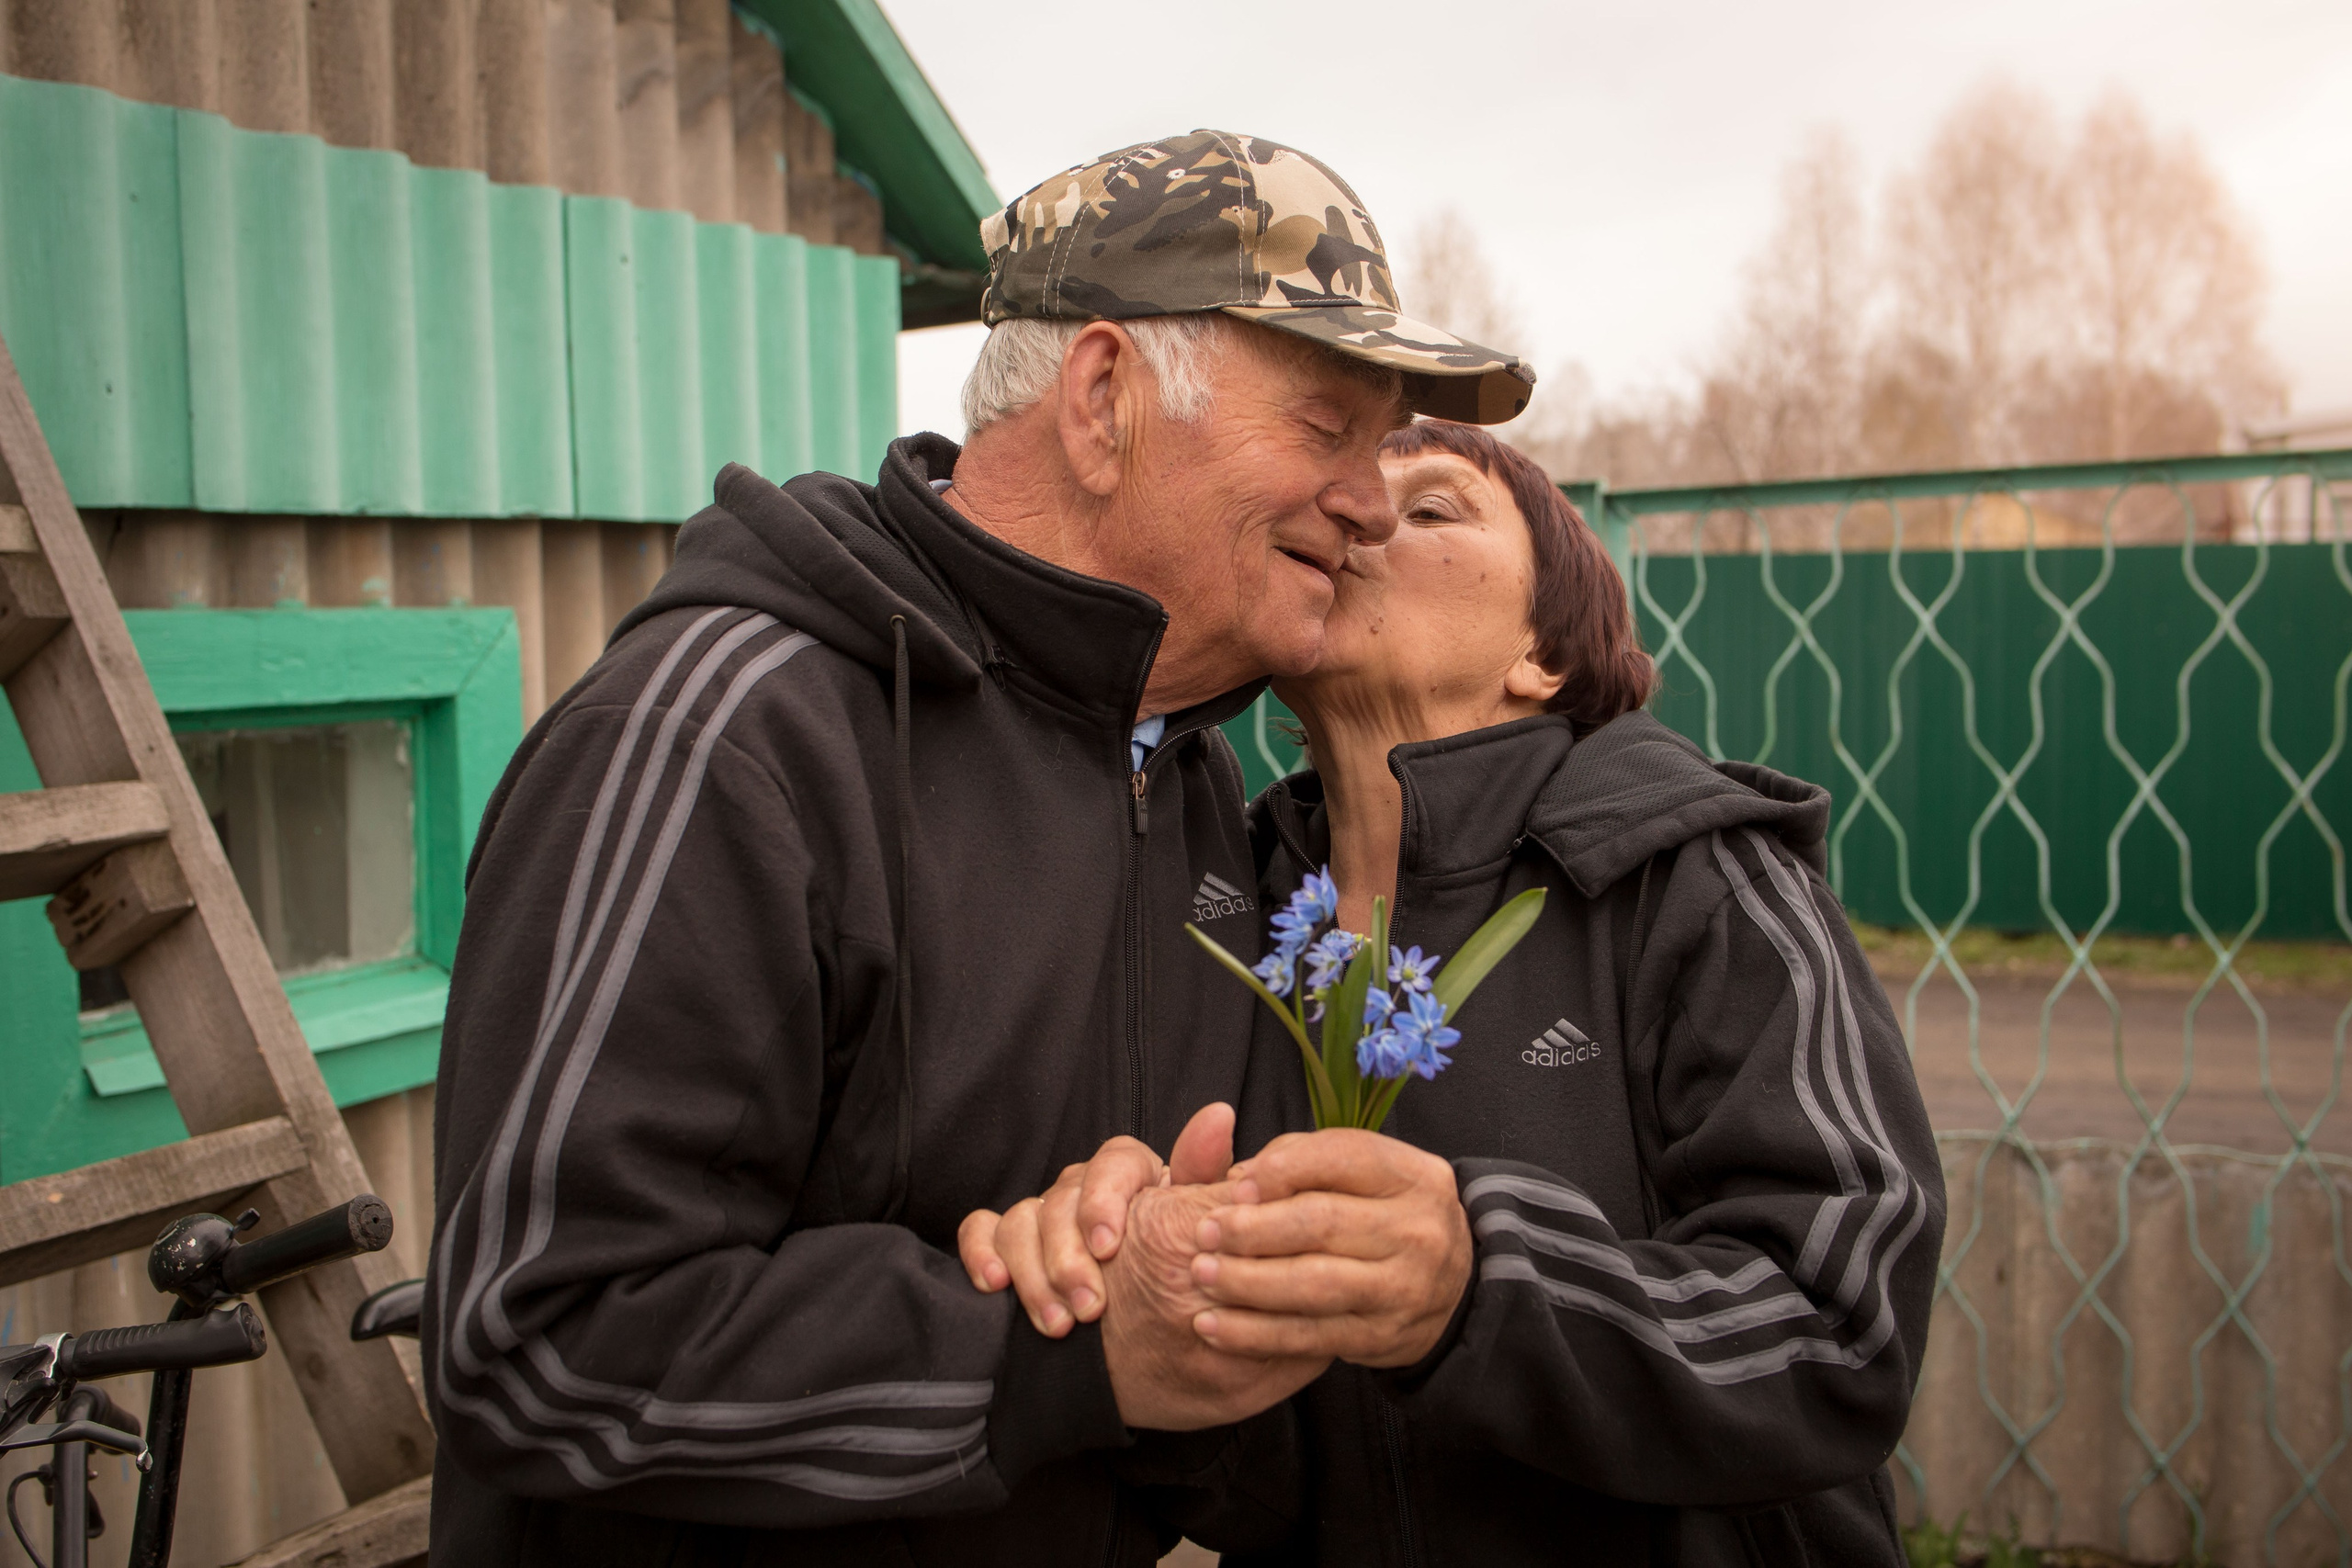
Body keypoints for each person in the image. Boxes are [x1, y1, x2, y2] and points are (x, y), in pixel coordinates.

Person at [421, 130, 1537, 1566]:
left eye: (1386, 451)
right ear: (1103, 398)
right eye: (1328, 428)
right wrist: (1048, 1346)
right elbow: (536, 1334)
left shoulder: (1187, 775)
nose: (1374, 502)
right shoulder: (725, 738)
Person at [967, 420, 1948, 1562]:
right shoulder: (1219, 916)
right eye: (1336, 493)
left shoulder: (1695, 880)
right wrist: (1131, 1301)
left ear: (1543, 654)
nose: (1360, 515)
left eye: (1431, 508)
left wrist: (1480, 1285)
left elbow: (1842, 1331)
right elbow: (1250, 1476)